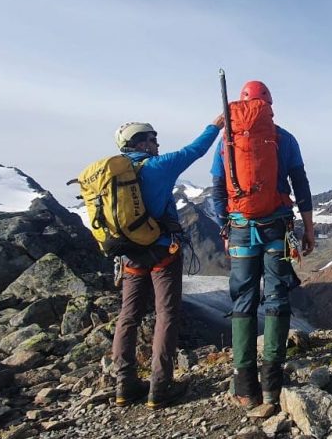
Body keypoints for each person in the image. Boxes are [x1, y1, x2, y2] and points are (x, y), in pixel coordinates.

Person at [209, 80, 314, 410]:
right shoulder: (284, 138)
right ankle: (272, 386)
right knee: (277, 295)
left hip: (240, 229)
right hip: (277, 228)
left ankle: (244, 387)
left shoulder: (227, 142)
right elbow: (301, 184)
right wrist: (308, 228)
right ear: (269, 105)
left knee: (243, 298)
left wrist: (226, 228)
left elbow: (217, 190)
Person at [111, 116, 223, 409]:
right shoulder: (158, 167)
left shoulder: (113, 173)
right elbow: (193, 151)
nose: (157, 144)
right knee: (166, 314)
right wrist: (216, 126)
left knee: (128, 315)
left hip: (130, 255)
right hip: (162, 251)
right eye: (152, 139)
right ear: (139, 143)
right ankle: (160, 387)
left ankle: (124, 384)